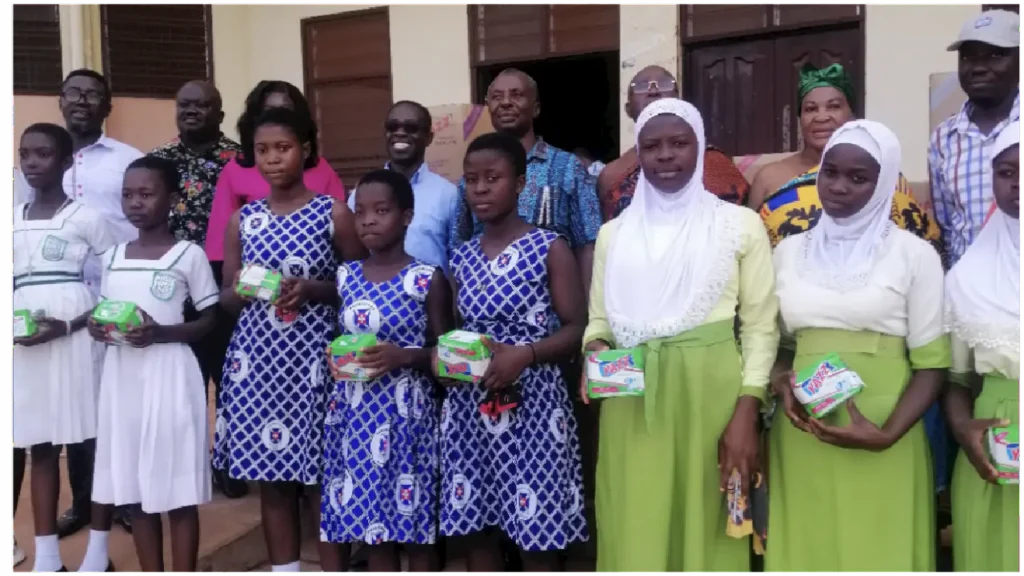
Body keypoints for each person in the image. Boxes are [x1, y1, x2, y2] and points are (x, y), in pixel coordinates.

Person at [582, 99, 776, 573]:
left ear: (701, 148)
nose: (665, 156)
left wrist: (747, 410)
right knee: (636, 520)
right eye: (651, 146)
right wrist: (598, 353)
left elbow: (760, 324)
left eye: (678, 143)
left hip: (710, 397)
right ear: (638, 156)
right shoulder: (615, 234)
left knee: (705, 524)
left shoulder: (739, 225)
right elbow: (599, 321)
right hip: (632, 399)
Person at [767, 121, 949, 572]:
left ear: (884, 181)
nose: (839, 187)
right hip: (806, 430)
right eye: (830, 173)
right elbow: (782, 345)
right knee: (810, 548)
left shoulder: (914, 255)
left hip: (884, 430)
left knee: (878, 551)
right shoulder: (788, 252)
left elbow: (932, 366)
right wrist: (779, 382)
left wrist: (885, 435)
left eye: (858, 177)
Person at [213, 107, 363, 574]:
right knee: (271, 479)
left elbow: (361, 285)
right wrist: (239, 290)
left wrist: (314, 290)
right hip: (257, 362)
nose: (273, 159)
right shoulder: (243, 220)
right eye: (263, 150)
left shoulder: (332, 212)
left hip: (314, 360)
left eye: (283, 148)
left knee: (321, 475)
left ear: (306, 150)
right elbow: (226, 299)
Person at [438, 132, 588, 572]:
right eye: (471, 180)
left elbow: (576, 328)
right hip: (473, 407)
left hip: (534, 405)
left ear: (520, 184)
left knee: (537, 531)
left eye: (493, 178)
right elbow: (455, 332)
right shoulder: (461, 257)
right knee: (478, 527)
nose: (480, 189)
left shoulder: (549, 247)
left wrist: (524, 355)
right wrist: (447, 365)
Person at [83, 156, 219, 573]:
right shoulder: (111, 257)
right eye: (128, 194)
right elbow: (107, 312)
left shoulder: (187, 255)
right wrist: (98, 327)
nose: (135, 203)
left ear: (173, 200)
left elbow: (208, 321)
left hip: (170, 376)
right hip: (123, 379)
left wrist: (158, 333)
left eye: (146, 193)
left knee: (176, 493)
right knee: (136, 491)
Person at [321, 170, 455, 573]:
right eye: (360, 211)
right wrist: (336, 358)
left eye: (382, 210)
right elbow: (341, 335)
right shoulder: (346, 277)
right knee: (373, 529)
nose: (368, 221)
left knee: (415, 532)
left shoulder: (426, 279)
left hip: (408, 418)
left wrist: (406, 357)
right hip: (356, 416)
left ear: (407, 216)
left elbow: (447, 355)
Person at [12, 123, 116, 573]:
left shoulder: (86, 218)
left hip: (74, 335)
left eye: (43, 154)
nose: (32, 163)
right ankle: (48, 559)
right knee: (39, 444)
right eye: (25, 154)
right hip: (27, 342)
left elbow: (118, 278)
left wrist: (72, 324)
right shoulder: (13, 217)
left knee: (91, 441)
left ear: (67, 160)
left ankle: (97, 554)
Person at [57, 68, 145, 539]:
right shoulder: (40, 159)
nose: (83, 101)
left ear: (108, 106)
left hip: (118, 296)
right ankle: (84, 502)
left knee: (120, 401)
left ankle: (128, 499)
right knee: (77, 407)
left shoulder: (129, 160)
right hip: (60, 305)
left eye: (93, 95)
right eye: (74, 92)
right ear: (60, 100)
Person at [150, 80, 247, 500]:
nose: (192, 111)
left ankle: (227, 462)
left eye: (203, 105)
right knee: (180, 379)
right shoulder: (157, 161)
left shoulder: (240, 161)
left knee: (227, 378)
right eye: (185, 104)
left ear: (220, 114)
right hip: (173, 285)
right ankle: (184, 463)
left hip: (225, 281)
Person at [943, 122, 1019, 574]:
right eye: (1006, 172)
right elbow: (955, 378)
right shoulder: (967, 277)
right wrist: (962, 429)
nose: (1019, 183)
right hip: (994, 444)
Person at [449, 68, 601, 291]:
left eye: (517, 95)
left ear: (536, 108)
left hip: (554, 310)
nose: (506, 103)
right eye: (497, 97)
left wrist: (588, 314)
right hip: (486, 303)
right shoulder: (472, 179)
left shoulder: (567, 167)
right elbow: (459, 244)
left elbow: (587, 244)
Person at [206, 80, 348, 264]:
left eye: (286, 111)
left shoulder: (322, 170)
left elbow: (346, 248)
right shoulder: (235, 171)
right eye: (269, 111)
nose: (273, 159)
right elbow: (220, 249)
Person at [598, 65, 752, 221]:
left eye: (665, 84)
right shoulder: (609, 176)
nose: (654, 91)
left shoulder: (713, 161)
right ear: (628, 109)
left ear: (679, 100)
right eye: (641, 86)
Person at [930, 8, 1021, 269]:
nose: (979, 67)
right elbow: (946, 227)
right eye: (968, 56)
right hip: (968, 296)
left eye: (996, 54)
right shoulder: (943, 139)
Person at [346, 101, 460, 274]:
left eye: (411, 128)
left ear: (429, 137)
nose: (400, 133)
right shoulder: (360, 195)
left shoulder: (448, 195)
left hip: (432, 297)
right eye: (393, 127)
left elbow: (458, 261)